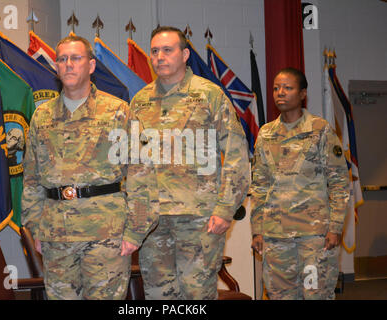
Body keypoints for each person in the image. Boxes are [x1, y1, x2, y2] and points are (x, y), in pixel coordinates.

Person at [21, 35, 156, 300]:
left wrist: (135, 232)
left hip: (107, 235)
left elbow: (142, 176)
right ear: (56, 66)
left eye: (76, 58)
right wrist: (36, 227)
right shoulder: (42, 115)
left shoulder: (118, 111)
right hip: (56, 235)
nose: (68, 65)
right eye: (62, 59)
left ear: (91, 66)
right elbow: (32, 179)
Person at [131, 26, 250, 300]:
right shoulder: (140, 102)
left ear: (185, 54)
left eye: (167, 50)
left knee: (197, 296)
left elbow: (236, 154)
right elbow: (133, 164)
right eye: (155, 51)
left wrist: (225, 209)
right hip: (153, 221)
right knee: (159, 296)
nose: (160, 57)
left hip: (200, 219)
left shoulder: (209, 95)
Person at [250, 67, 350, 300]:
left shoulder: (319, 130)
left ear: (303, 93)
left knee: (314, 293)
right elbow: (259, 186)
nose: (280, 93)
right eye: (276, 88)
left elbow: (338, 182)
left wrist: (335, 227)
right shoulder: (266, 134)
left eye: (288, 87)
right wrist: (257, 230)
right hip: (276, 237)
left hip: (314, 238)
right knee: (279, 296)